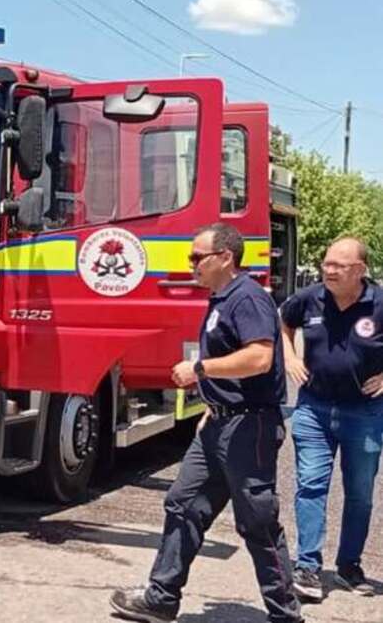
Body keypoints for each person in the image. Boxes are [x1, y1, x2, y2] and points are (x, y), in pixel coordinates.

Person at [110, 223, 302, 623]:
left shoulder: (247, 299)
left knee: (257, 521)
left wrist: (199, 369)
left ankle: (286, 613)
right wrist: (212, 409)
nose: (191, 264)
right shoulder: (221, 298)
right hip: (220, 425)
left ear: (225, 257)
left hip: (250, 429)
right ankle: (161, 598)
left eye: (198, 257)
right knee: (183, 504)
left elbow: (259, 359)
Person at [281, 236, 383, 602]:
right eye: (326, 263)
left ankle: (349, 566)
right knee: (310, 485)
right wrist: (291, 357)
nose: (329, 270)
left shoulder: (380, 303)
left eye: (339, 265)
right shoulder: (309, 298)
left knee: (360, 494)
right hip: (314, 409)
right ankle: (307, 566)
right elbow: (284, 322)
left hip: (366, 413)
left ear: (360, 270)